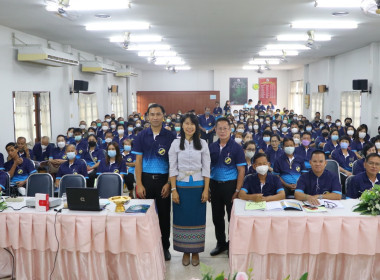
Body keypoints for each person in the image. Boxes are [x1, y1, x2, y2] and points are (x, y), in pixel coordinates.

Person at [132, 104, 176, 261]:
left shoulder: (171, 136)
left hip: (163, 181)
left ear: (164, 116)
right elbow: (138, 161)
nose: (155, 117)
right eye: (152, 114)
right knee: (144, 215)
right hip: (146, 180)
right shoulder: (141, 136)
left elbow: (173, 162)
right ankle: (146, 247)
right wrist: (139, 184)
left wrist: (169, 184)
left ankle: (165, 247)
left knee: (164, 217)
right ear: (147, 116)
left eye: (158, 114)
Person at [168, 113, 210, 266]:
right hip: (181, 186)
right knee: (182, 219)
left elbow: (206, 168)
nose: (189, 126)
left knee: (197, 218)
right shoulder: (175, 143)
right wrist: (174, 190)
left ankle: (196, 251)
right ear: (181, 125)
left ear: (196, 126)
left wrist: (206, 190)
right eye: (186, 123)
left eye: (192, 124)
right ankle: (185, 251)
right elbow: (172, 168)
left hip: (198, 186)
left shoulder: (203, 143)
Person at [209, 117, 246, 256]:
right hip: (215, 186)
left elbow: (241, 170)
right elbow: (206, 168)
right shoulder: (211, 147)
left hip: (231, 186)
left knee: (232, 217)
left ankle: (232, 244)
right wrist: (207, 188)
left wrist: (237, 189)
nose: (223, 131)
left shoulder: (236, 148)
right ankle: (221, 244)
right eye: (220, 128)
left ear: (230, 130)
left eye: (225, 128)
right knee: (217, 217)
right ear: (215, 130)